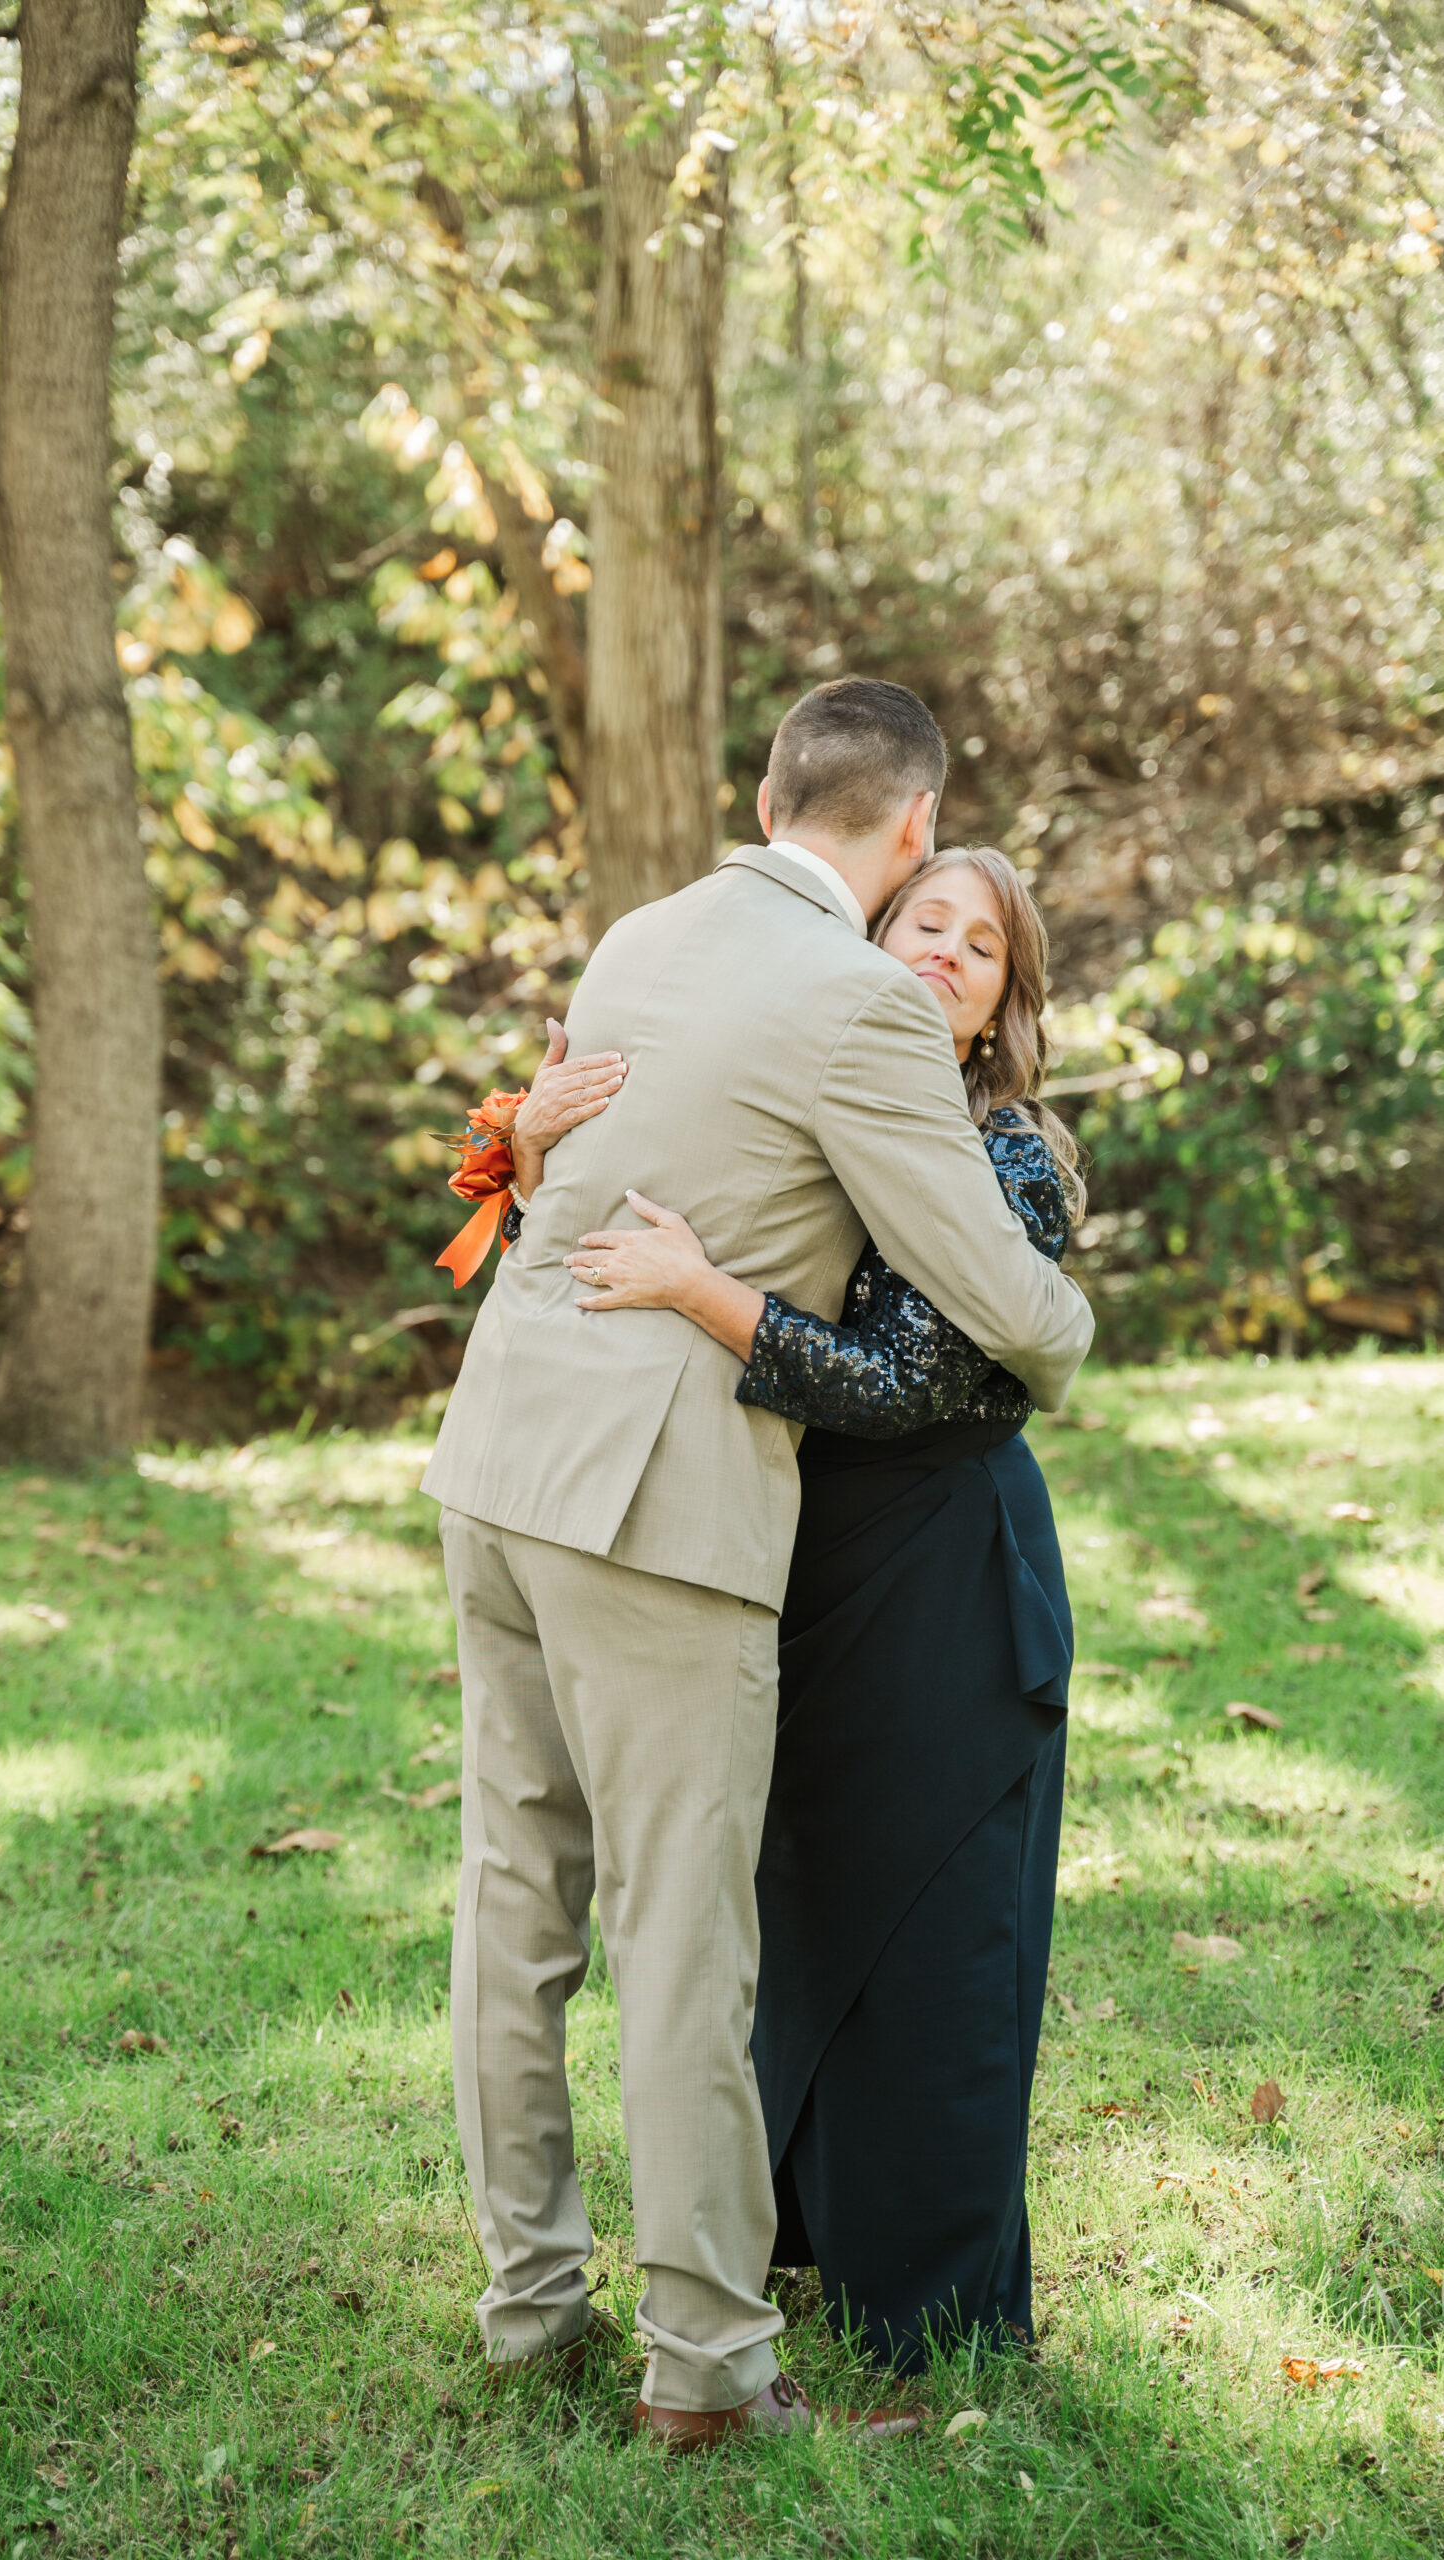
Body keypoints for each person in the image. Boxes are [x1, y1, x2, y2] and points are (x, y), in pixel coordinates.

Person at [420, 679, 1094, 2448]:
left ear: (772, 790)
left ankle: (527, 2304)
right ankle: (711, 2369)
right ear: (914, 828)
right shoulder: (862, 1003)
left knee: (515, 1904)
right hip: (655, 1500)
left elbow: (578, 1158)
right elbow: (1002, 1297)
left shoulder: (644, 931)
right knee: (682, 1932)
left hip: (498, 1455)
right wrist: (1072, 1326)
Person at [564, 846, 1079, 2374]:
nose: (946, 954)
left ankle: (940, 2311)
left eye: (981, 948)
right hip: (800, 1555)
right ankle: (821, 2241)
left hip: (940, 1566)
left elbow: (916, 1383)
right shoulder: (820, 1100)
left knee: (933, 1929)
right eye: (923, 922)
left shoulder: (1009, 1157)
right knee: (807, 1906)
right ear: (862, 942)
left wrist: (700, 1291)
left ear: (999, 1007)